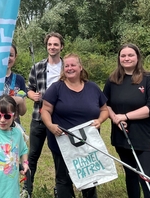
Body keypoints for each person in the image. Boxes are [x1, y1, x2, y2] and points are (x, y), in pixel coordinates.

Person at [41, 53, 109, 198]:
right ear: (63, 69)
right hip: (62, 142)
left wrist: (100, 120)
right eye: (67, 65)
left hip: (87, 142)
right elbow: (45, 110)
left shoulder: (93, 87)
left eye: (73, 65)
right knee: (63, 178)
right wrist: (51, 126)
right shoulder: (56, 88)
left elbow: (104, 110)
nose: (70, 68)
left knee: (90, 177)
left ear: (80, 67)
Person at [103, 43, 150, 198]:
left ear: (137, 57)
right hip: (122, 137)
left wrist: (125, 116)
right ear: (119, 59)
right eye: (123, 55)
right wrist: (116, 119)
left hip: (145, 137)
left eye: (130, 55)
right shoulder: (112, 80)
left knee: (146, 178)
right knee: (131, 176)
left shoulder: (149, 78)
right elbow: (105, 104)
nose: (127, 58)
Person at [26, 32, 64, 191]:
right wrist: (31, 95)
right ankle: (27, 189)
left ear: (61, 46)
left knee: (59, 157)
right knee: (32, 156)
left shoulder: (66, 67)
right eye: (50, 44)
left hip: (60, 119)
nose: (52, 47)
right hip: (39, 117)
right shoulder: (38, 67)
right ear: (46, 46)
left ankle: (59, 189)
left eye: (55, 44)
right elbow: (29, 88)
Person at [3, 44, 27, 124]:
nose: (7, 58)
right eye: (4, 54)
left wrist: (20, 100)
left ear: (15, 57)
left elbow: (22, 112)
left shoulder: (19, 79)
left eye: (11, 55)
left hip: (13, 126)